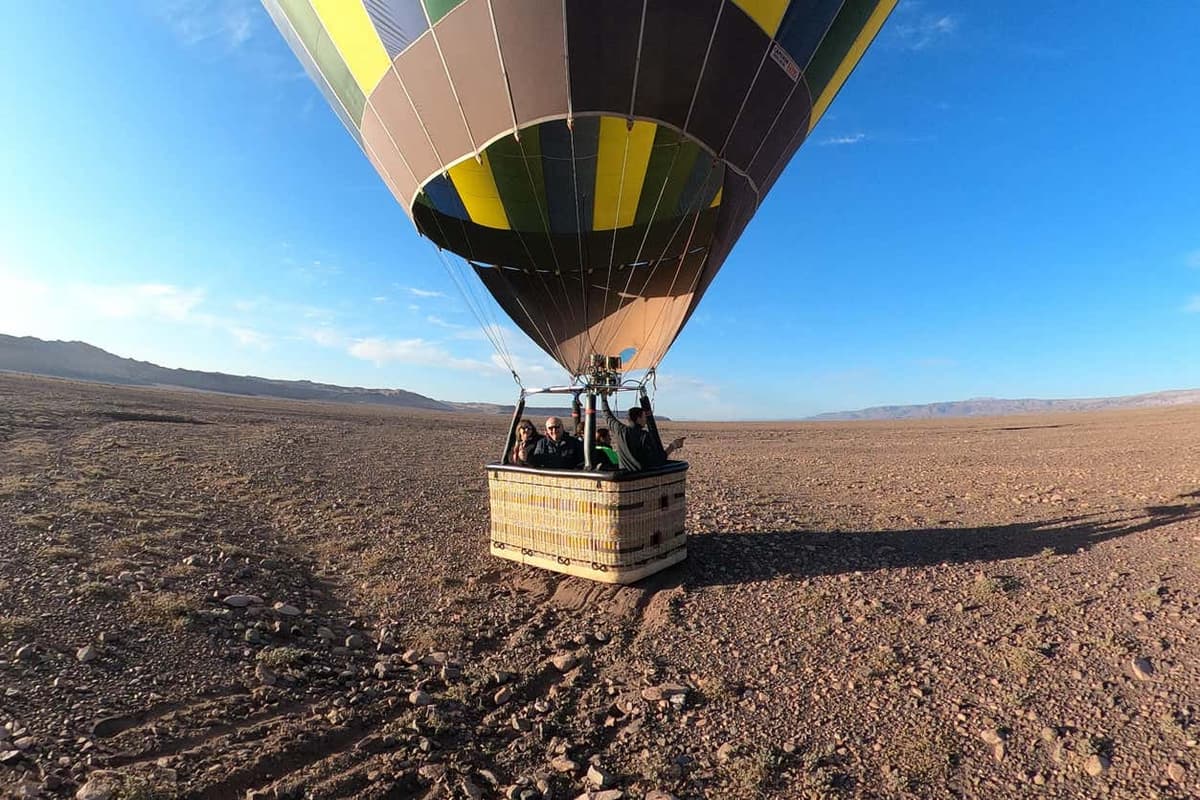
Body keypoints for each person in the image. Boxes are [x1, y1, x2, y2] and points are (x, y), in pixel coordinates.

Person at [600, 395, 685, 472]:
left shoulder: (620, 430)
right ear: (638, 418)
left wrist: (603, 399)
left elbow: (607, 415)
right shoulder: (644, 436)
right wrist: (673, 446)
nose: (646, 420)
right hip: (639, 479)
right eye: (644, 417)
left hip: (624, 477)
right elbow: (657, 460)